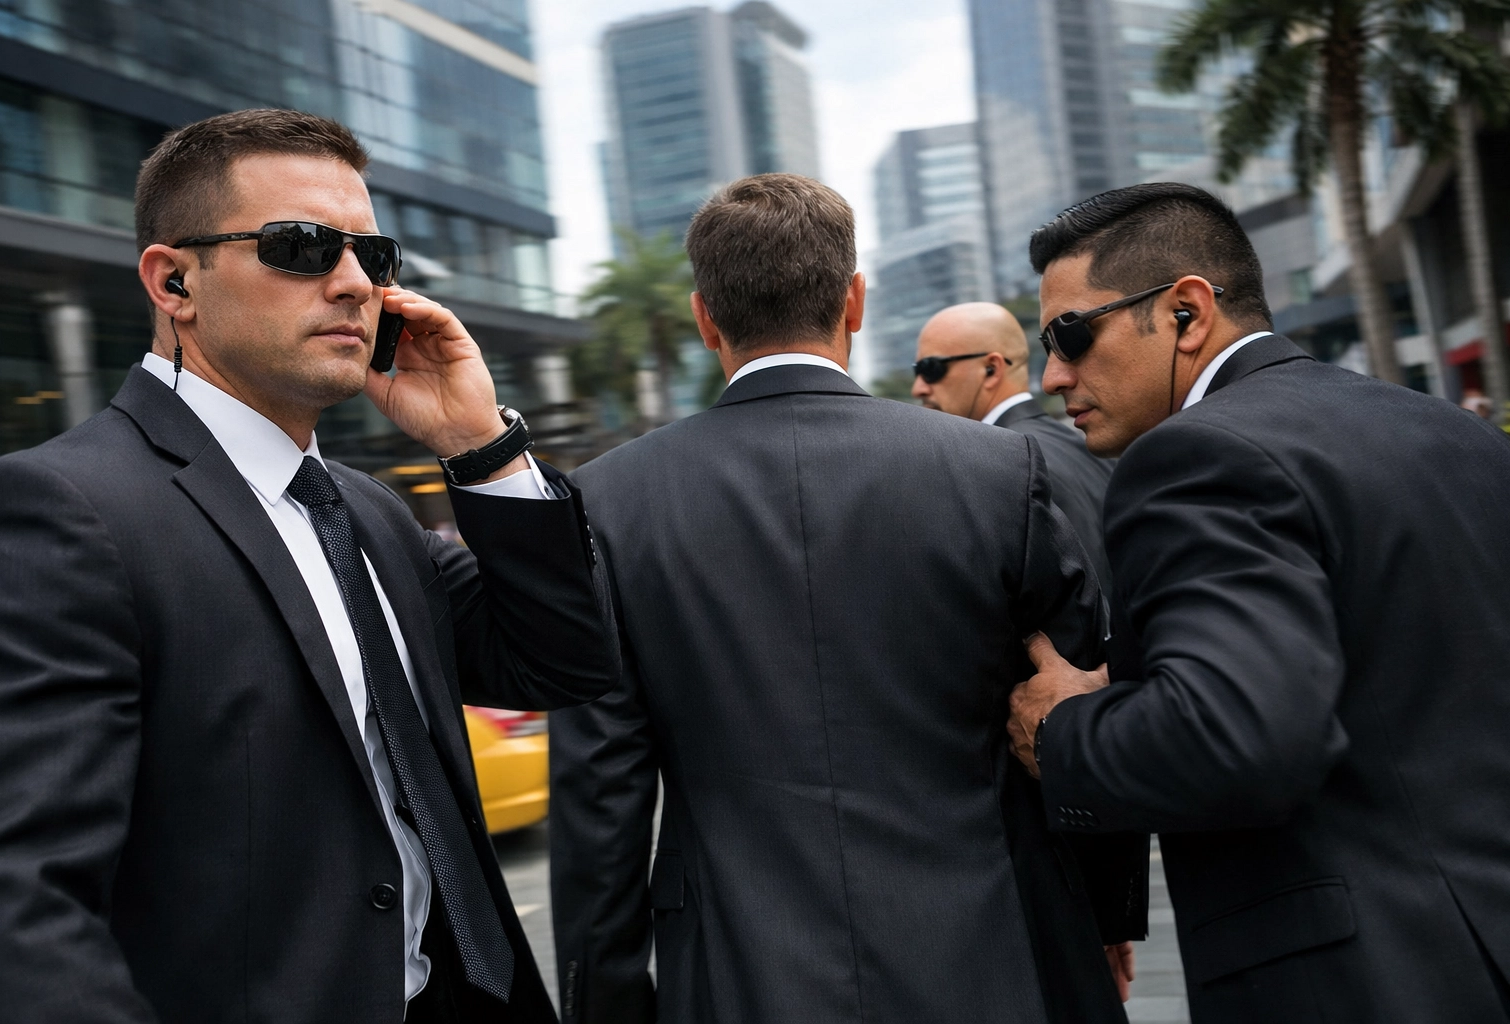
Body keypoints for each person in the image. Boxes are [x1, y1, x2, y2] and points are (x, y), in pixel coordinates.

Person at [0, 109, 619, 1023]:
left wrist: (481, 448)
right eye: (305, 246)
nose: (356, 283)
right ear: (174, 282)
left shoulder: (370, 512)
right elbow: (16, 901)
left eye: (373, 255)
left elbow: (562, 661)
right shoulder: (57, 513)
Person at [549, 173, 1143, 1024]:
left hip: (737, 971)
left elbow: (599, 795)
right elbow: (1080, 695)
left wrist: (603, 1004)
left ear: (704, 317)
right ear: (855, 302)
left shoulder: (606, 501)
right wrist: (1105, 912)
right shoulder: (999, 473)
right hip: (993, 946)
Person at [1006, 182, 1510, 1023]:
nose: (1054, 373)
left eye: (1071, 334)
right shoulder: (1455, 434)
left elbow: (1237, 736)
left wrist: (1063, 732)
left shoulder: (1196, 457)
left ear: (1186, 313)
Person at [913, 302, 1114, 595]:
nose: (918, 387)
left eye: (931, 369)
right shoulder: (1087, 447)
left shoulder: (995, 463)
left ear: (991, 369)